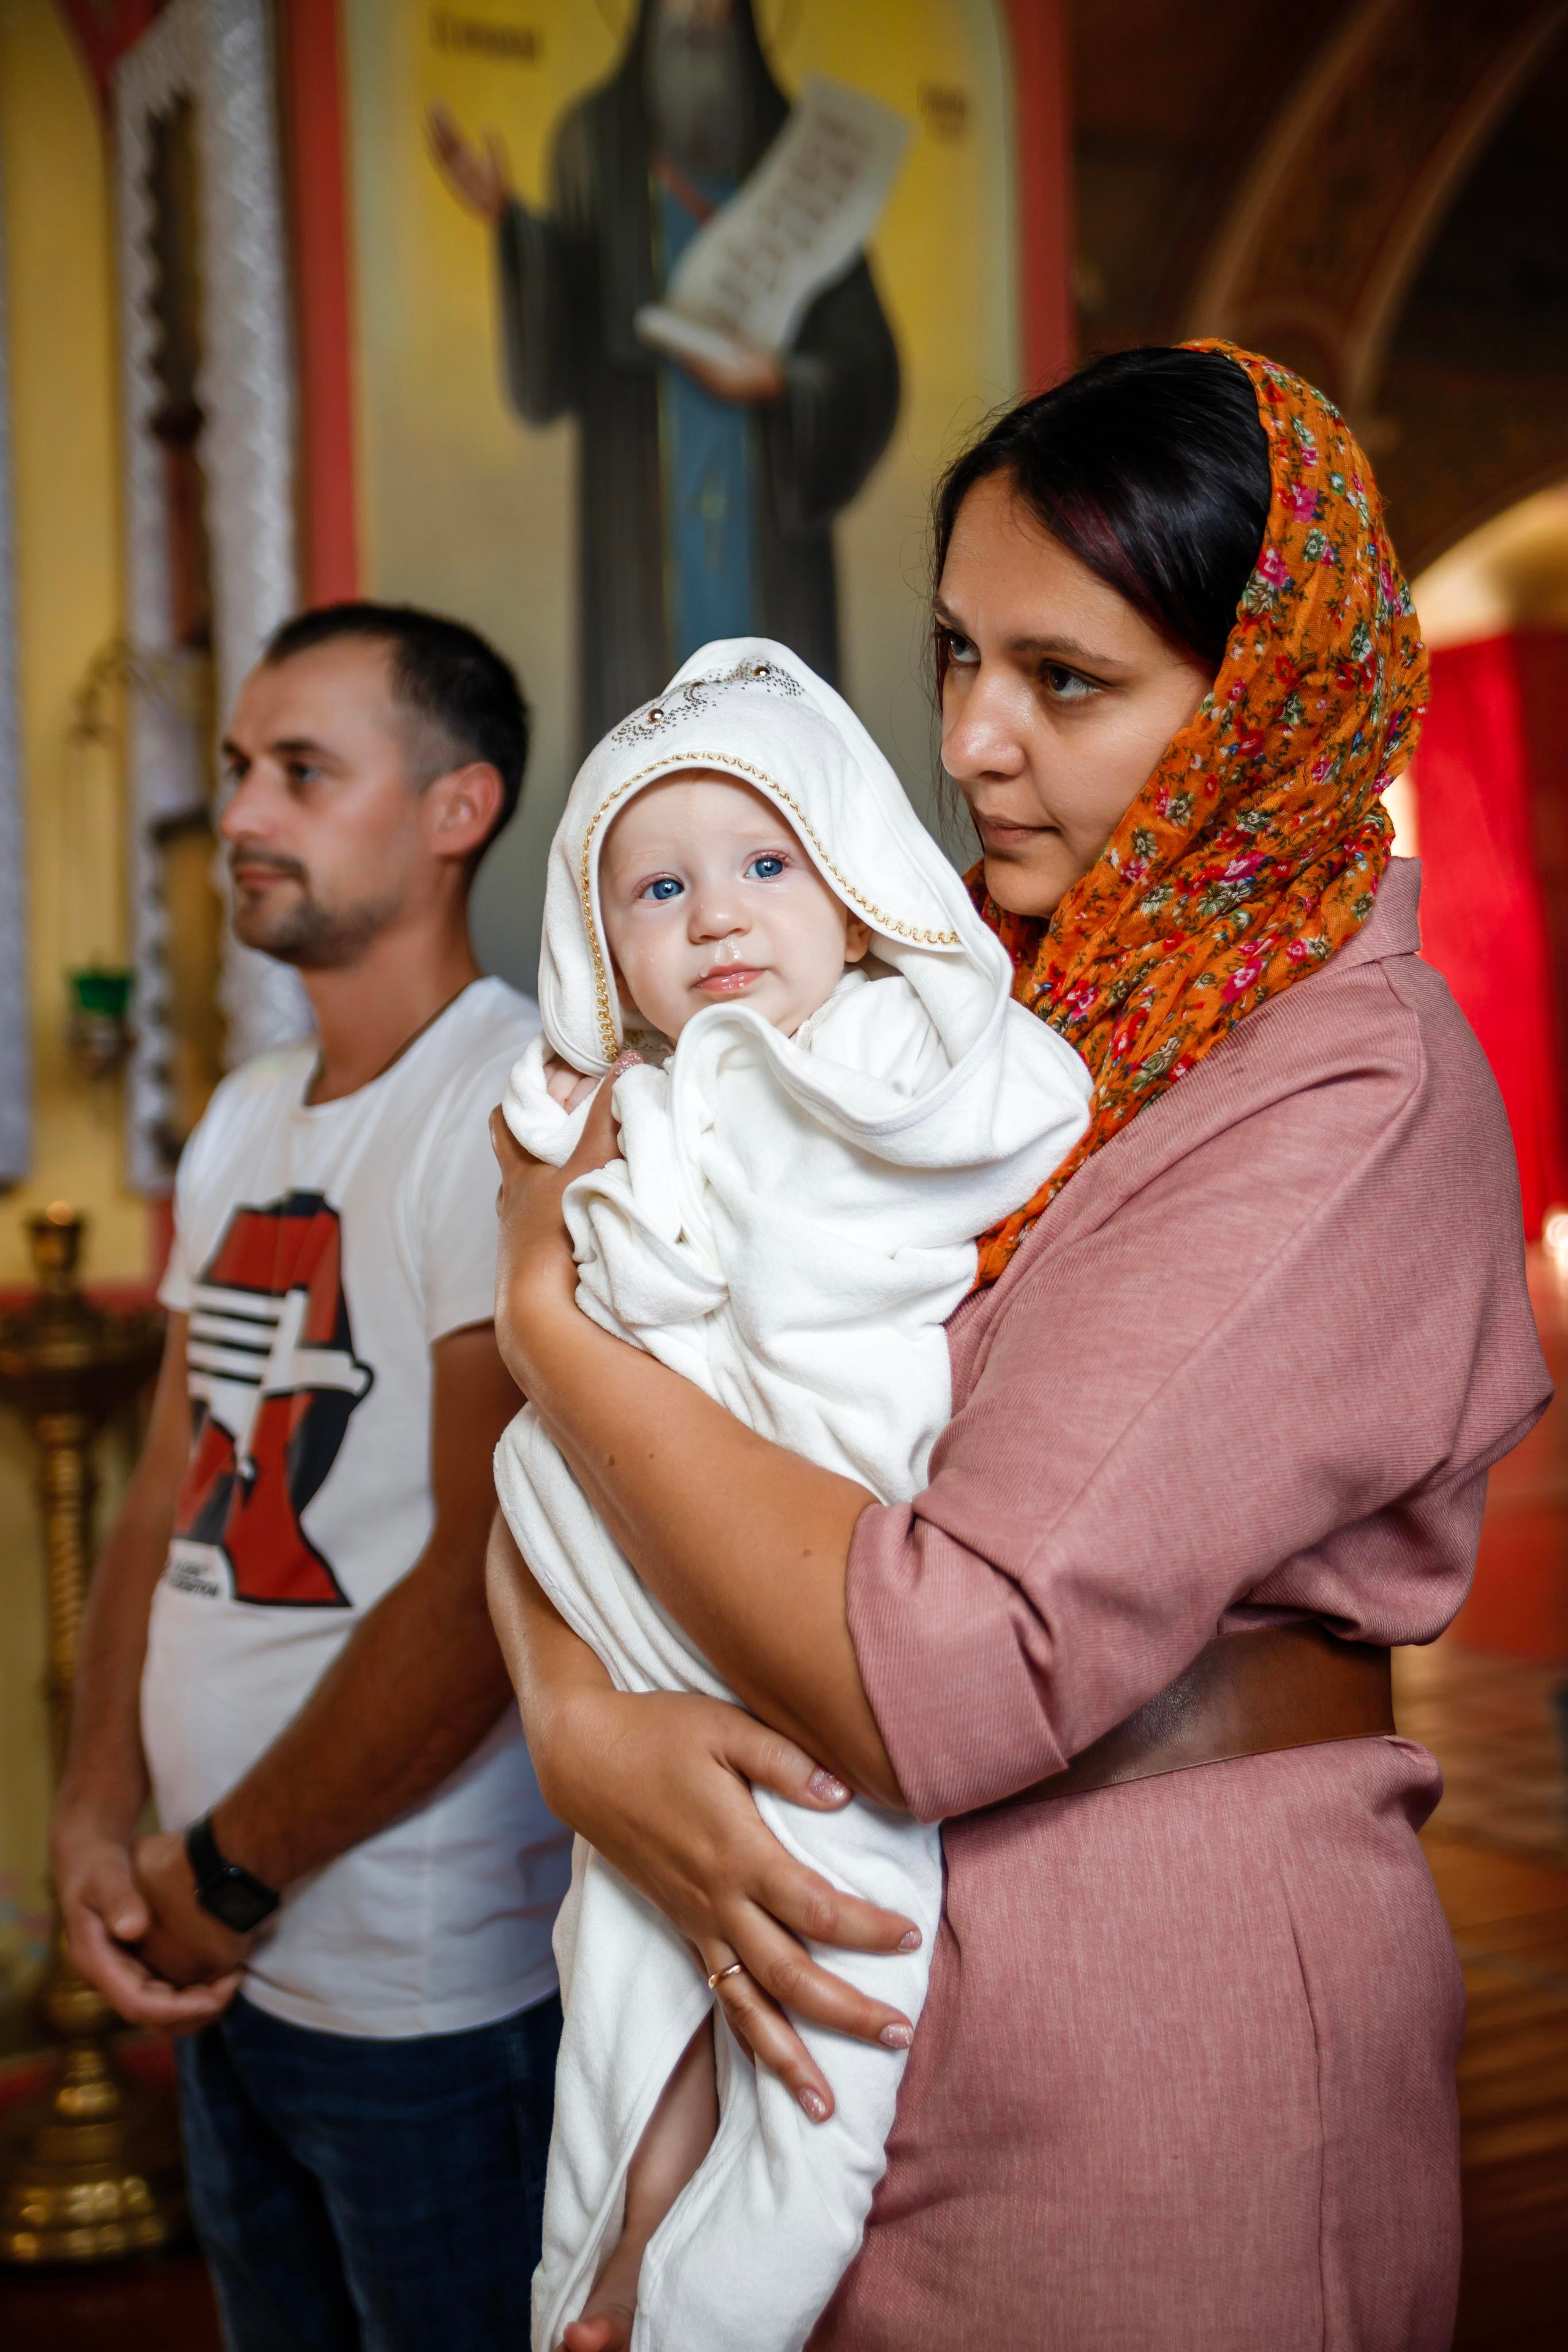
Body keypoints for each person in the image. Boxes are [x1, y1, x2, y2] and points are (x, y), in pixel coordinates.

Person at [483, 344, 1553, 2351]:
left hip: (1157, 2038)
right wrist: (578, 1722)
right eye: (959, 651)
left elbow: (948, 1670)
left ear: (1263, 699)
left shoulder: (1343, 1086)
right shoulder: (948, 995)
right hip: (848, 1980)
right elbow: (629, 1441)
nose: (972, 739)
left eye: (1068, 682)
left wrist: (547, 1324)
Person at [491, 639, 1090, 2351]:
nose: (717, 917)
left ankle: (698, 2309)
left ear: (851, 876)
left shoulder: (926, 1044)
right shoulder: (620, 1105)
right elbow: (587, 1322)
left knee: (826, 1961)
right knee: (637, 1935)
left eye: (765, 865)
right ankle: (610, 2275)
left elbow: (1007, 1133)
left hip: (829, 1546)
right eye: (656, 890)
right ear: (601, 948)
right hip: (632, 1542)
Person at [51, 603, 572, 2352]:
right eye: (237, 771)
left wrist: (228, 1880)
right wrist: (93, 1813)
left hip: (416, 1989)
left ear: (456, 808)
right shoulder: (247, 1112)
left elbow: (478, 1582)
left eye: (303, 771)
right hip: (222, 1951)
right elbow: (165, 1495)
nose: (246, 817)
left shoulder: (506, 1107)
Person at [426, 0, 900, 749]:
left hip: (767, 520)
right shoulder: (592, 140)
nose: (699, 20)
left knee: (780, 745)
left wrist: (781, 384)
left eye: (716, 7)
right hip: (640, 505)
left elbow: (866, 360)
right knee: (647, 711)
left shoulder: (806, 157)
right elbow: (563, 337)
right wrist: (509, 223)